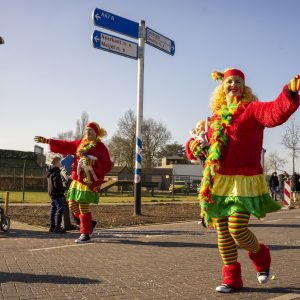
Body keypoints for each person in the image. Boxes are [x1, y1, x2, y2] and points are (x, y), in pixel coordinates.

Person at [186, 68, 300, 293]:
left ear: (244, 87)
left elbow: (275, 112)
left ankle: (261, 254)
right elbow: (195, 147)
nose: (233, 85)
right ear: (222, 88)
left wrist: (289, 91)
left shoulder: (252, 110)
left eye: (238, 81)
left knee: (237, 229)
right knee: (223, 234)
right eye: (229, 81)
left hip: (244, 180)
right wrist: (194, 146)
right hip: (218, 182)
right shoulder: (213, 120)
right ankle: (232, 279)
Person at [35, 122, 112, 243]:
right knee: (72, 206)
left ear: (96, 133)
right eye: (86, 130)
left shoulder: (100, 146)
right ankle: (89, 224)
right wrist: (48, 141)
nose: (87, 132)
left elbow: (107, 164)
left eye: (91, 130)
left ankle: (85, 234)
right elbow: (65, 145)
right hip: (77, 180)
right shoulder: (80, 144)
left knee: (82, 206)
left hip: (88, 181)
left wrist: (95, 162)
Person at [46, 154, 66, 234]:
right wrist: (63, 189)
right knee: (60, 209)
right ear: (57, 163)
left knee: (53, 210)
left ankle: (52, 226)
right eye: (60, 162)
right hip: (57, 194)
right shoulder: (57, 173)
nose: (61, 163)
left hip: (52, 194)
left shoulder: (50, 172)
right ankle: (58, 227)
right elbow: (57, 185)